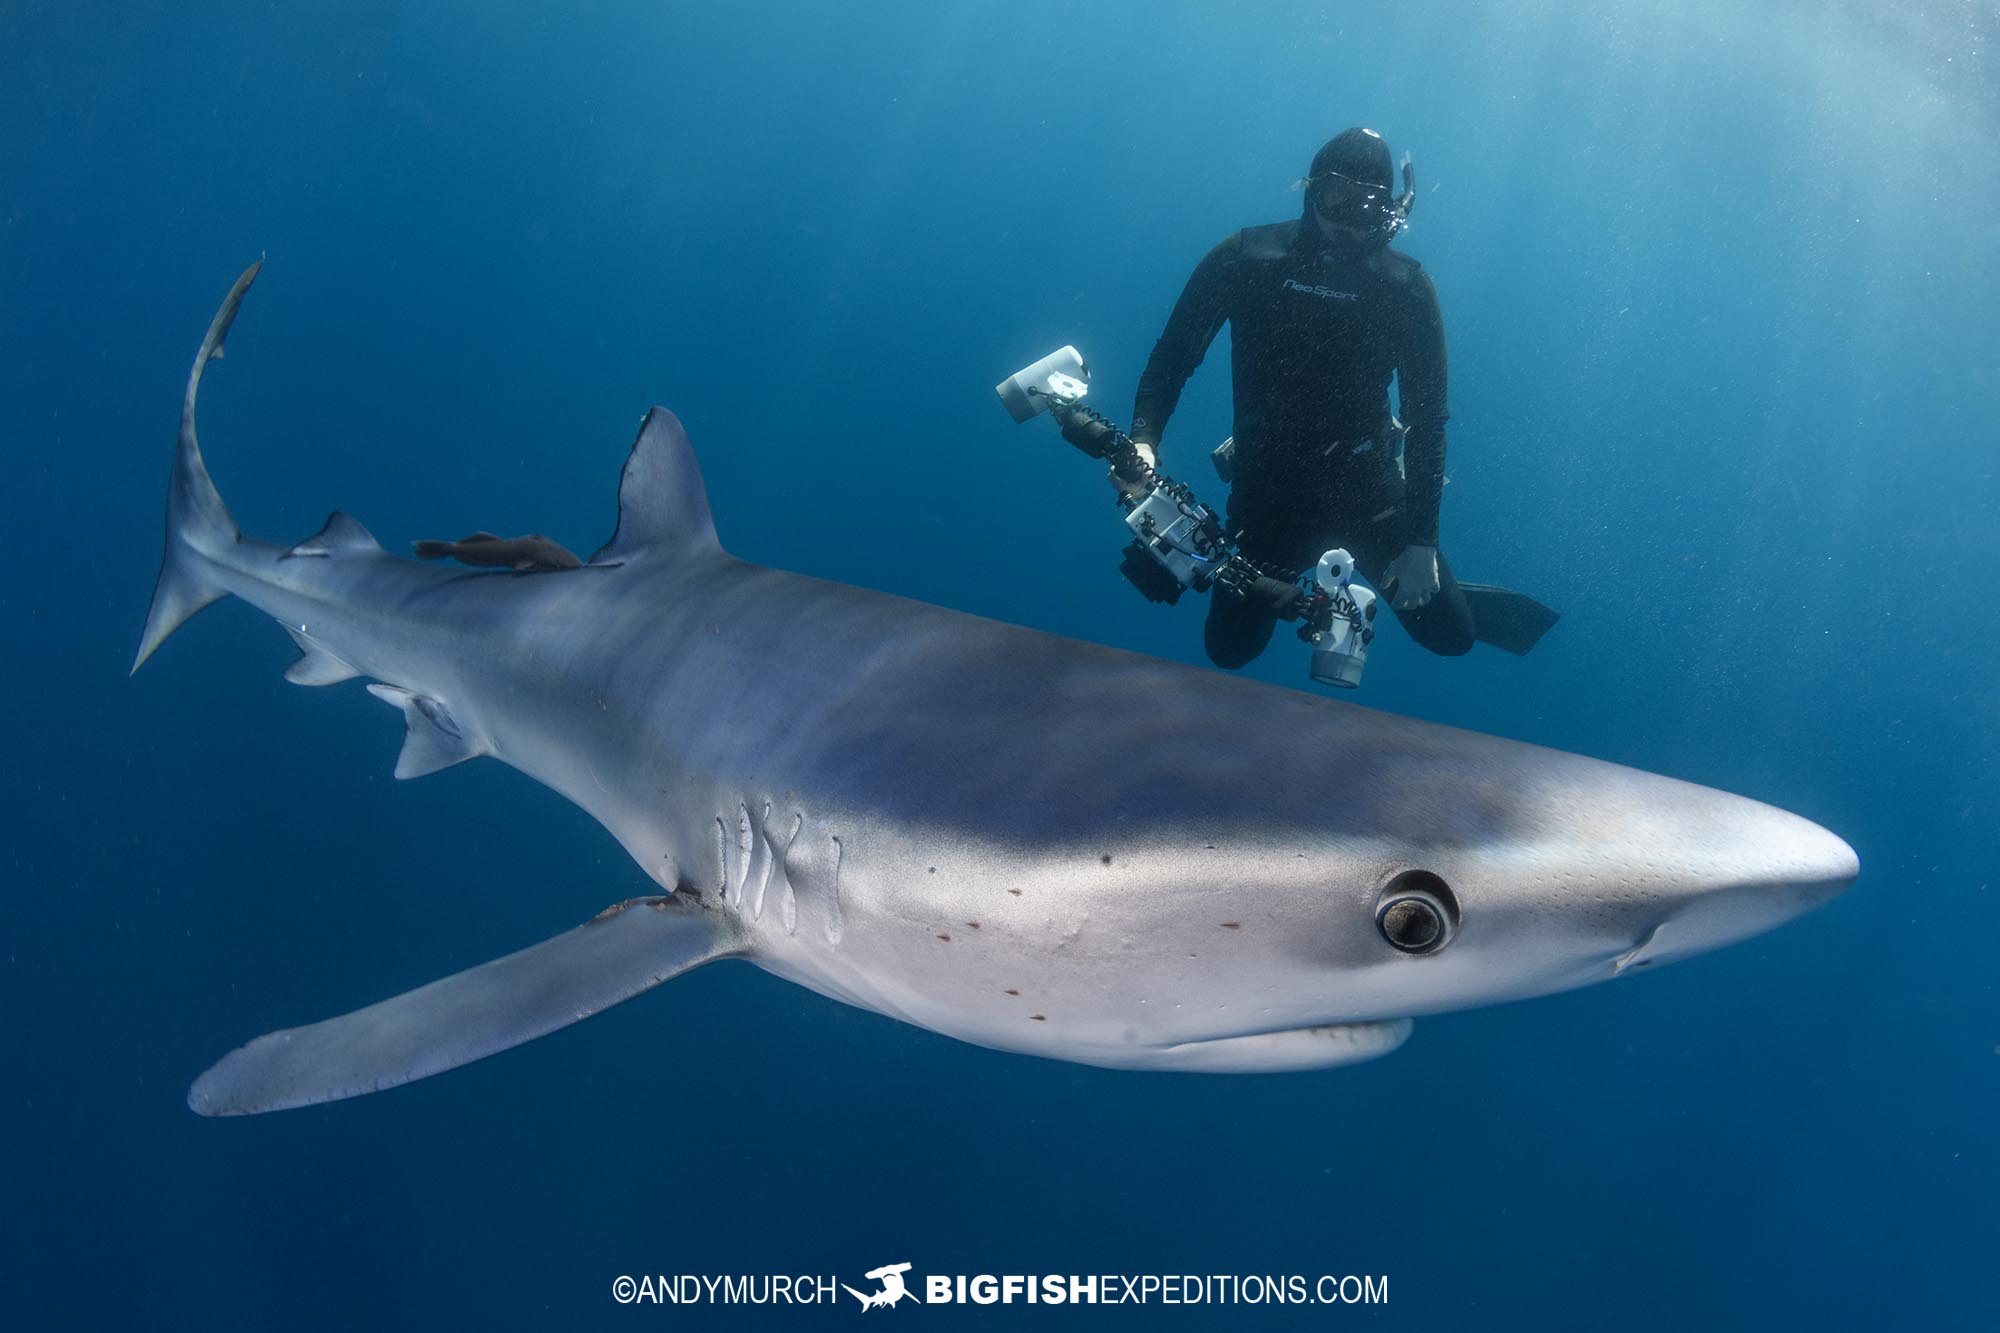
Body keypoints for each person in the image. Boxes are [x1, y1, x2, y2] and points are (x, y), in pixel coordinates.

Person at [1129, 127, 1555, 668]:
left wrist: (1422, 544)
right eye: (1337, 195)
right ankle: (1333, 591)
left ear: (1388, 208)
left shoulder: (1404, 287)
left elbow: (1428, 420)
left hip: (1368, 488)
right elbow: (1173, 358)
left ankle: (1437, 590)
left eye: (1368, 203)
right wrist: (1143, 442)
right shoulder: (1246, 259)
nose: (1349, 217)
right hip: (1269, 489)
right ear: (1311, 188)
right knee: (1229, 651)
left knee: (1451, 636)